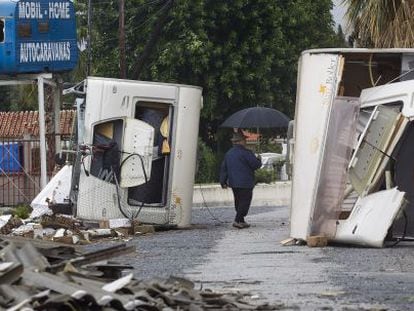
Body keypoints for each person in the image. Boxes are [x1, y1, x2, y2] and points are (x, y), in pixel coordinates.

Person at [220, 131, 262, 229]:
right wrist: (259, 159)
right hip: (246, 182)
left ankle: (241, 220)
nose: (246, 141)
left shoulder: (228, 154)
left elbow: (224, 169)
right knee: (245, 202)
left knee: (238, 201)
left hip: (234, 183)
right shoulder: (246, 153)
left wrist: (223, 182)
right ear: (240, 141)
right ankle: (237, 220)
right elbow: (255, 165)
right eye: (244, 140)